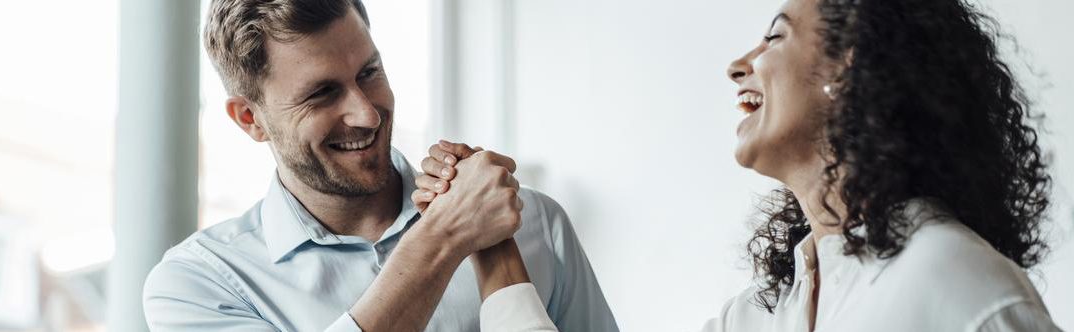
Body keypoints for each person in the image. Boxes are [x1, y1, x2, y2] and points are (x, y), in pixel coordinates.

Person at [413, 0, 1063, 330]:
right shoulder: (773, 307)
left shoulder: (954, 282)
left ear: (851, 67)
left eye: (775, 35)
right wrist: (491, 247)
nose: (739, 63)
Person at [141, 0, 617, 331]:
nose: (367, 114)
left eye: (369, 73)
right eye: (322, 93)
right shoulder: (199, 285)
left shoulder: (533, 224)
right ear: (251, 119)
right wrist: (446, 237)